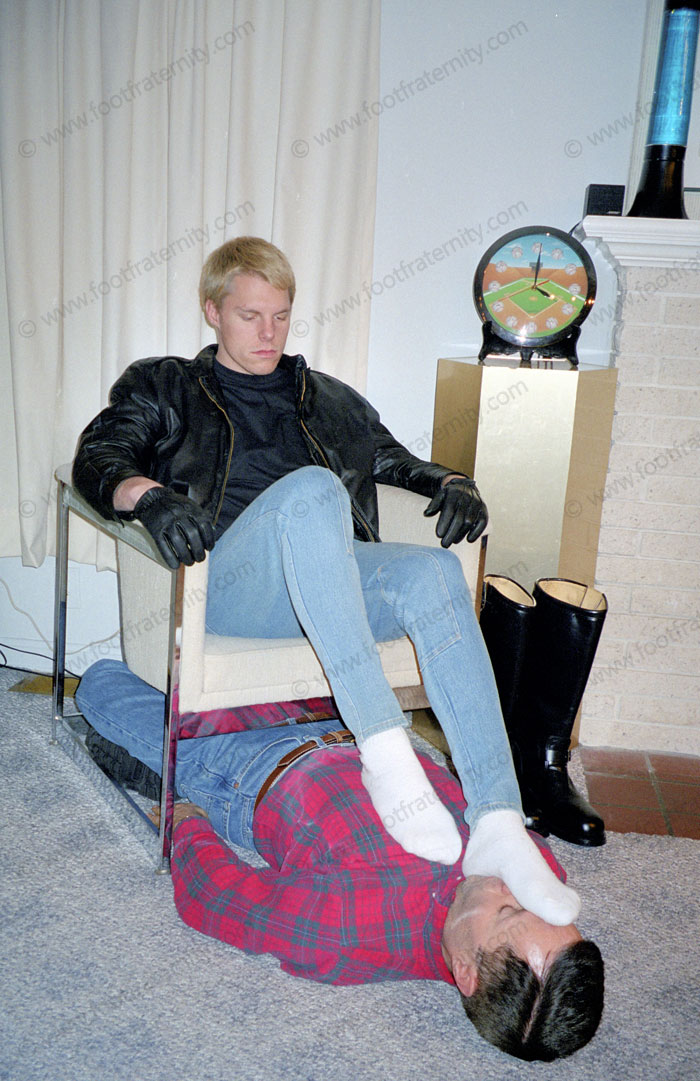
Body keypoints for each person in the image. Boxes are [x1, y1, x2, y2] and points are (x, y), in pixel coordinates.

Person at [72, 235, 579, 926]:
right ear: (212, 310)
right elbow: (98, 457)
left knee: (433, 571)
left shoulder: (332, 400)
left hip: (326, 585)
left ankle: (497, 819)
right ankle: (384, 749)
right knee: (313, 490)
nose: (269, 332)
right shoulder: (166, 386)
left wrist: (452, 480)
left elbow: (398, 462)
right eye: (250, 315)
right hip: (230, 585)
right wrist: (147, 495)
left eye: (281, 315)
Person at [75, 659, 604, 1063]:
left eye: (509, 910)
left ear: (466, 971)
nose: (521, 882)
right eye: (545, 900)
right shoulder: (539, 877)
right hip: (365, 722)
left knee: (101, 685)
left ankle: (168, 776)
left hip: (247, 759)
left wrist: (187, 821)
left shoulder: (344, 933)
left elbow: (219, 899)